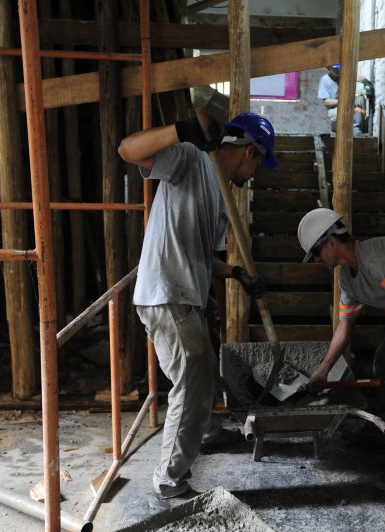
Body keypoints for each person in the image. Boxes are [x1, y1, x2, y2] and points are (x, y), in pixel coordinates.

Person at [118, 112, 276, 505]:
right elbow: (127, 150)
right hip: (166, 293)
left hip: (185, 295)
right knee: (190, 387)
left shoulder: (220, 194)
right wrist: (178, 130)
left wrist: (237, 272)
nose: (255, 173)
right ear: (249, 151)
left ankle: (205, 432)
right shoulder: (190, 158)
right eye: (259, 162)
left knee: (203, 374)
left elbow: (208, 258)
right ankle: (169, 480)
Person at [297, 207, 385, 492]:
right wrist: (322, 370)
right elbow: (345, 328)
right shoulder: (347, 280)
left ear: (331, 241)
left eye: (316, 253)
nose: (317, 260)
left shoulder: (376, 257)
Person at [317, 64, 368, 135]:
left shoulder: (345, 75)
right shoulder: (325, 80)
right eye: (335, 68)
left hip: (349, 105)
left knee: (360, 98)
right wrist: (343, 102)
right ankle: (337, 131)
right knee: (336, 114)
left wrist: (366, 82)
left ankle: (357, 128)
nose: (337, 70)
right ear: (328, 68)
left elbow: (359, 77)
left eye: (339, 67)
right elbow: (326, 102)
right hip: (335, 108)